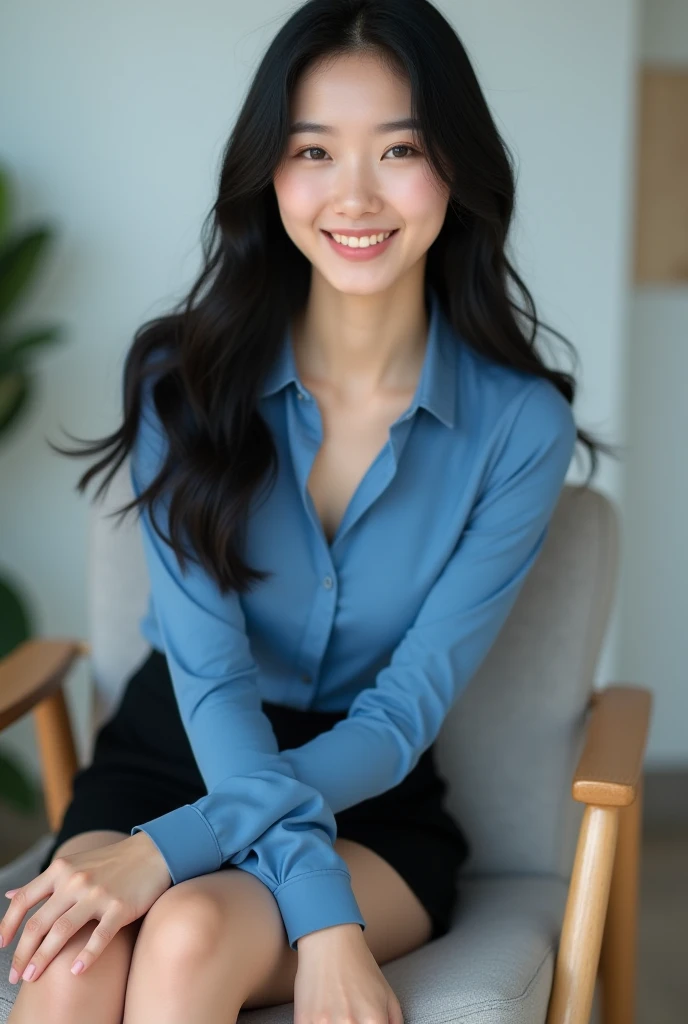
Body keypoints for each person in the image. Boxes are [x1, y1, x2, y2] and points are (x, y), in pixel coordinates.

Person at [1, 0, 616, 1021]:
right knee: (70, 969)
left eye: (400, 148)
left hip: (367, 790)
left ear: (453, 167)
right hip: (174, 748)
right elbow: (210, 677)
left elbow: (402, 710)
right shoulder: (181, 380)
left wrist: (201, 868)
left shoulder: (519, 427)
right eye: (314, 150)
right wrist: (314, 918)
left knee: (190, 935)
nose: (356, 194)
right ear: (268, 173)